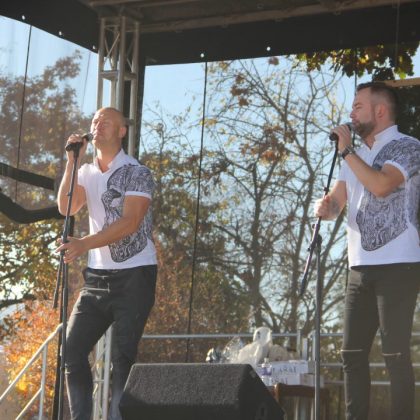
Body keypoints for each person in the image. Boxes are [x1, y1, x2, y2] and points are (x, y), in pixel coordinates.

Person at [314, 82, 420, 420]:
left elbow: (381, 184)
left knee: (394, 354)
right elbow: (337, 204)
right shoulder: (354, 155)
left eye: (358, 106)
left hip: (399, 264)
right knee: (352, 354)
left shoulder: (408, 146)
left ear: (380, 111)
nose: (351, 113)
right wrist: (326, 207)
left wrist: (347, 152)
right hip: (359, 268)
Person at [56, 107, 157, 420]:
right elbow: (67, 207)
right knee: (72, 351)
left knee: (122, 358)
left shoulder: (137, 171)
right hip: (98, 278)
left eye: (106, 121)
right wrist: (72, 162)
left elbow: (130, 222)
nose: (98, 125)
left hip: (135, 275)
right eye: (95, 121)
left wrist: (84, 244)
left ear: (122, 131)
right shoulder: (86, 172)